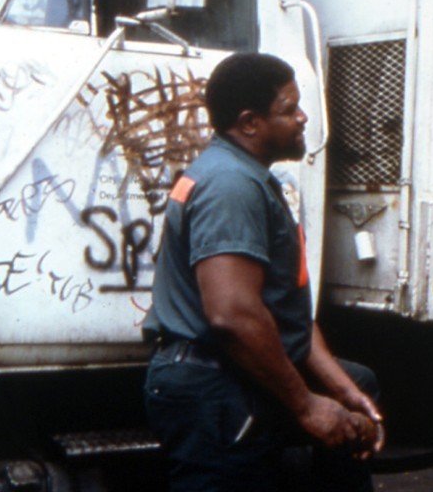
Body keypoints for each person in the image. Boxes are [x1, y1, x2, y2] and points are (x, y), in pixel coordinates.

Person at [143, 52, 384, 492]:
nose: (303, 117)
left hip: (228, 382)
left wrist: (342, 390)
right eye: (289, 110)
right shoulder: (231, 186)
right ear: (250, 123)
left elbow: (284, 314)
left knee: (361, 380)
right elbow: (233, 314)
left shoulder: (245, 177)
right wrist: (306, 406)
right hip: (215, 391)